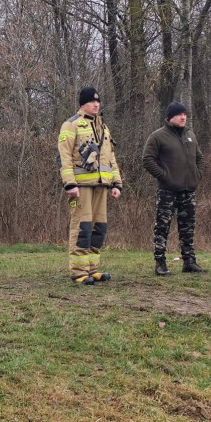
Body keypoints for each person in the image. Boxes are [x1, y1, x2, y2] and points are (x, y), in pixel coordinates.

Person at [57, 87, 123, 285]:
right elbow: (64, 157)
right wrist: (69, 184)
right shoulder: (71, 125)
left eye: (98, 101)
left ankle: (92, 269)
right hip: (82, 186)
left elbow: (111, 157)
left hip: (101, 186)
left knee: (98, 229)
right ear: (82, 103)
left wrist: (116, 183)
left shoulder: (104, 127)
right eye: (92, 101)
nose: (96, 104)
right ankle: (78, 272)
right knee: (82, 228)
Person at [143, 101, 205, 276]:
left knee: (188, 227)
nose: (183, 117)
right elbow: (147, 159)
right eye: (179, 114)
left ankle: (189, 261)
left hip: (188, 190)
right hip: (167, 190)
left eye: (185, 114)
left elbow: (200, 158)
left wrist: (197, 175)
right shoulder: (158, 136)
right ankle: (160, 262)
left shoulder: (190, 135)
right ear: (170, 117)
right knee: (162, 226)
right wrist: (165, 176)